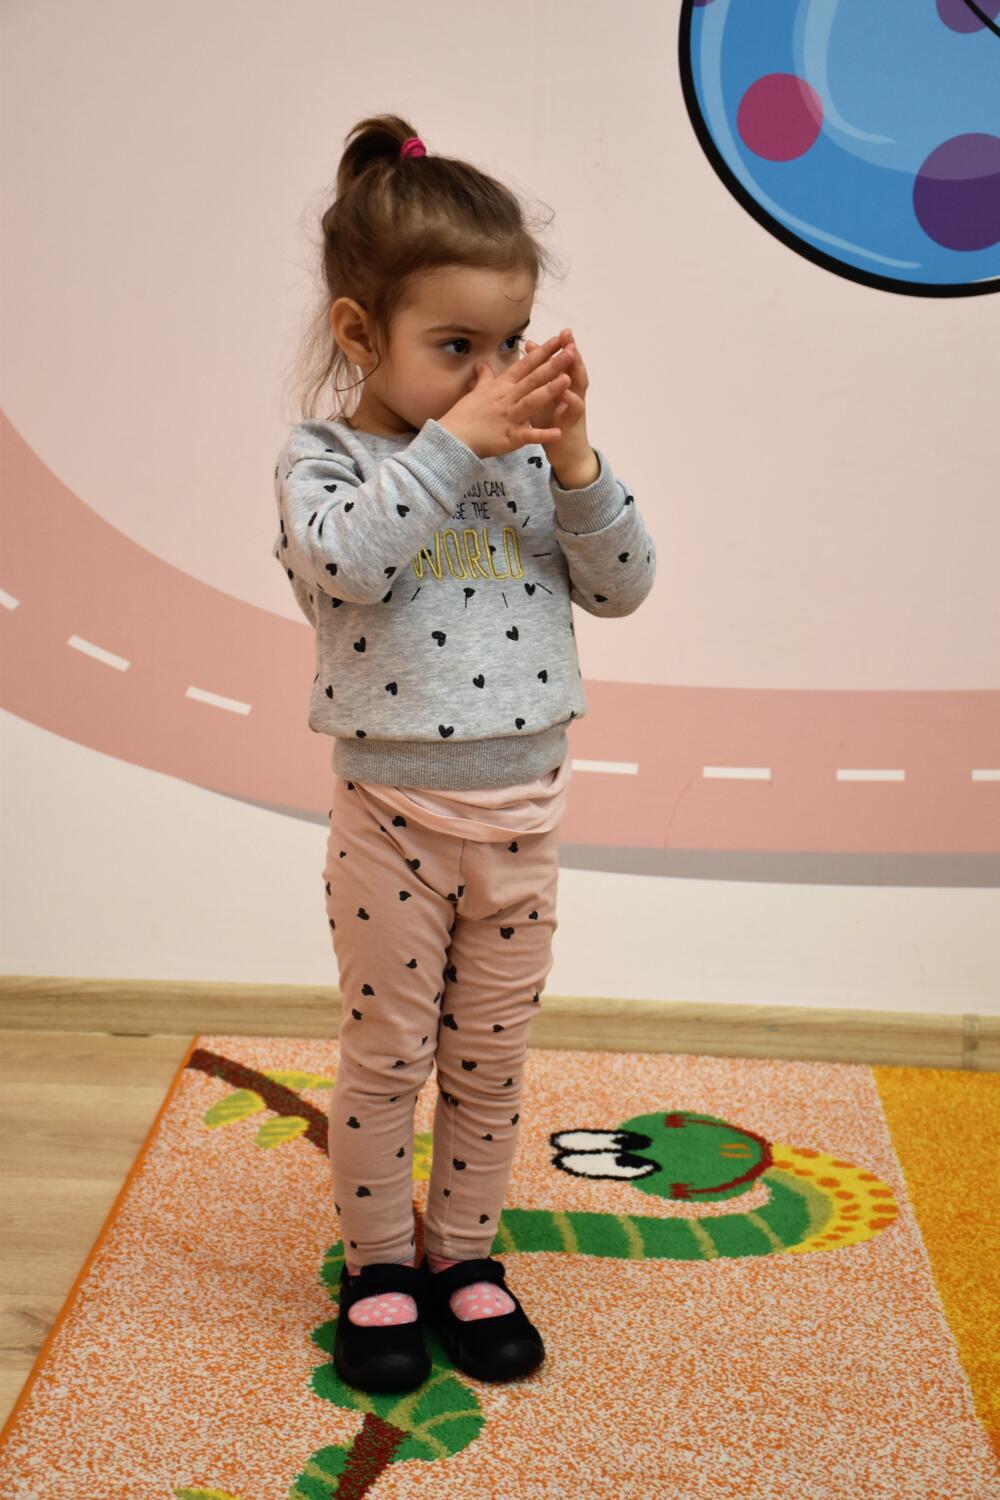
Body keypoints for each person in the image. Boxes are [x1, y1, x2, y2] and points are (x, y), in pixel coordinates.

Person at [273, 113, 656, 1392]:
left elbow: (623, 587)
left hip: (522, 821)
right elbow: (347, 565)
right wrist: (453, 444)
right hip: (390, 822)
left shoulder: (530, 466)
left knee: (489, 1063)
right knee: (388, 1057)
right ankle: (381, 1265)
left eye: (509, 344)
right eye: (455, 349)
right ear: (358, 334)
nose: (491, 376)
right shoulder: (327, 461)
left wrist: (577, 459)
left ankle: (464, 1256)